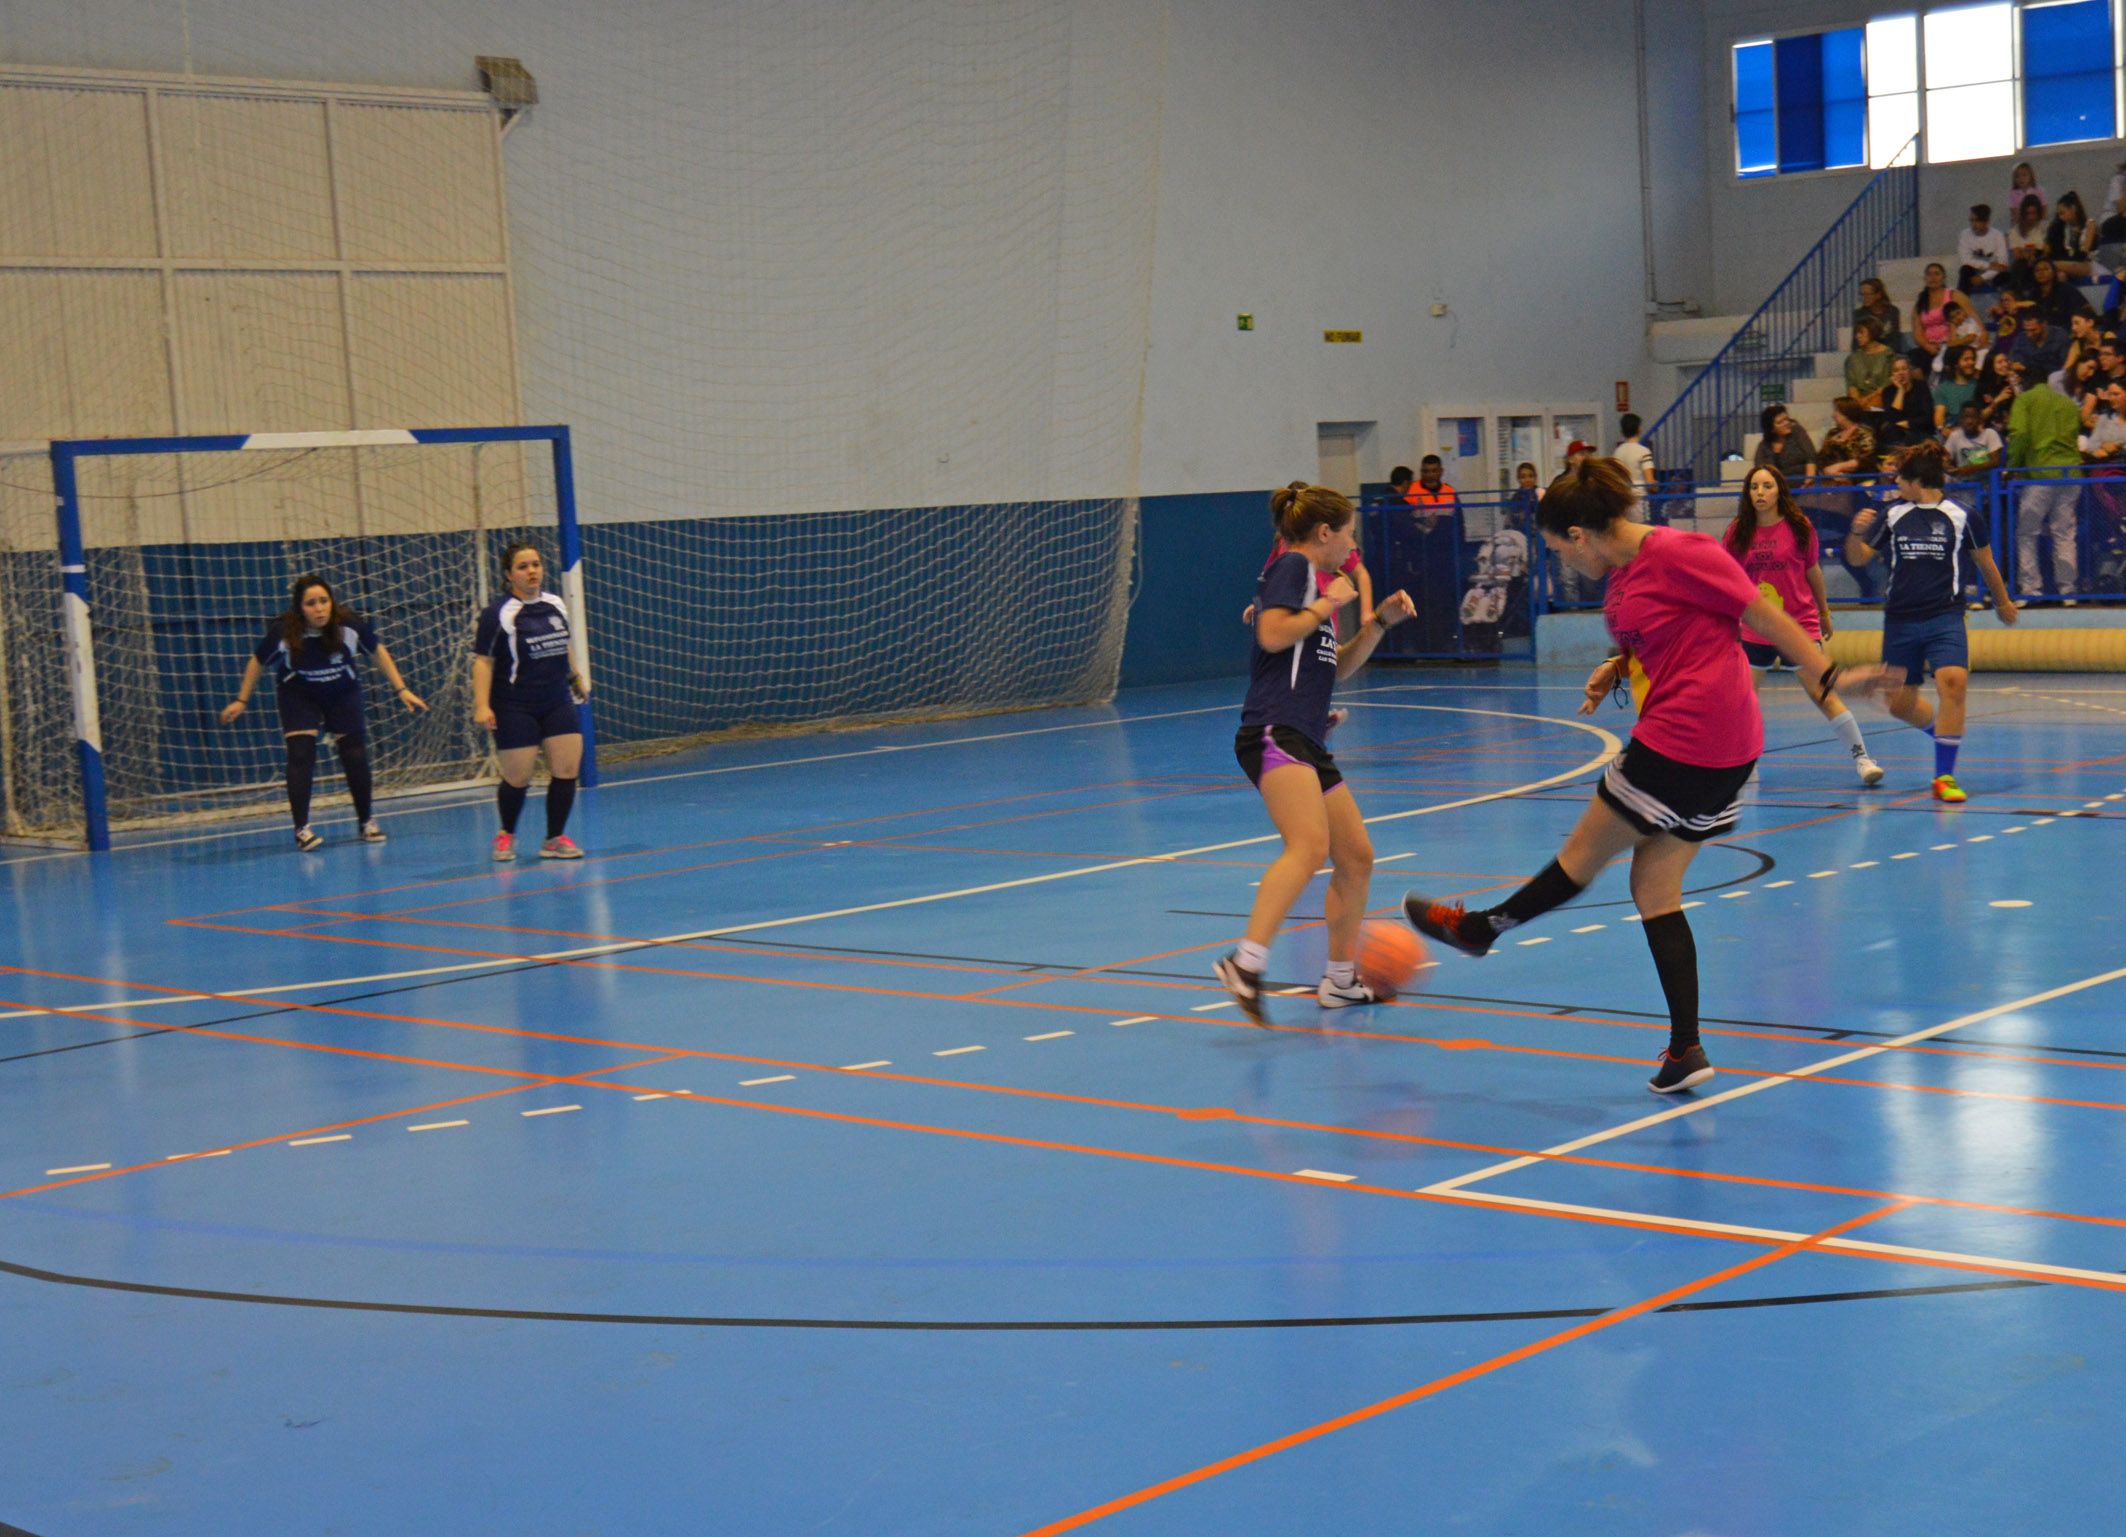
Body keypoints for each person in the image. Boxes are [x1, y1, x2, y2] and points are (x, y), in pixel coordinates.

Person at [1399, 458, 1887, 1094]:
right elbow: (1660, 626)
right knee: (1654, 886)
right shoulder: (1623, 574)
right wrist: (1616, 663)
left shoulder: (1682, 550)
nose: (1560, 560)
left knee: (1582, 854)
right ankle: (1686, 1048)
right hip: (1719, 747)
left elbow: (1762, 616)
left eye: (1555, 548)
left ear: (1579, 534)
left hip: (1693, 731)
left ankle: (1480, 929)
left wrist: (1829, 676)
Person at [1215, 482, 1415, 1022]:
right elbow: (1273, 634)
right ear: (1324, 533)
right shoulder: (1295, 568)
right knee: (1307, 847)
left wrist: (1377, 625)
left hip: (1307, 737)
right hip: (1273, 731)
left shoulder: (1315, 588)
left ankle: (1341, 982)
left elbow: (1338, 667)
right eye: (1347, 532)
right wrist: (1329, 602)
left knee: (1355, 856)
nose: (1352, 543)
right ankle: (1246, 962)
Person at [1845, 441, 2017, 803]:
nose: (1895, 484)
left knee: (1953, 683)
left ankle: (1944, 776)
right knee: (1899, 704)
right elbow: (1858, 559)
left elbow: (1986, 562)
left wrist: (2002, 602)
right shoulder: (1892, 514)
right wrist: (1856, 532)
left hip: (1945, 616)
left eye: (1899, 479)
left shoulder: (1963, 516)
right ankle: (1944, 734)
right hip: (1900, 620)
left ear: (1915, 480)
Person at [220, 573, 427, 850]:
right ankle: (302, 829)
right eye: (310, 604)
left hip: (342, 692)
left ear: (331, 602)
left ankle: (367, 821)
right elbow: (257, 662)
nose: (319, 608)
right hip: (299, 693)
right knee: (301, 753)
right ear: (300, 608)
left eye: (323, 601)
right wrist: (241, 700)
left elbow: (378, 652)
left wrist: (402, 689)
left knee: (354, 754)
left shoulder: (349, 626)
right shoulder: (284, 632)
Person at [1724, 466, 1881, 786]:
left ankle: (1863, 759)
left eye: (1767, 486)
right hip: (1756, 626)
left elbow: (1813, 572)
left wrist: (1824, 613)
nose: (1760, 492)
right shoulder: (1738, 531)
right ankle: (1746, 762)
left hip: (1799, 625)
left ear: (1779, 490)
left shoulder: (1799, 527)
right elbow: (1727, 576)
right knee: (1743, 698)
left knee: (1823, 693)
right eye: (1754, 486)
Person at [472, 541, 591, 860]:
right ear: (509, 575)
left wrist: (575, 676)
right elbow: (483, 661)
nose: (532, 571)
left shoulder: (555, 604)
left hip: (556, 700)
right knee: (518, 776)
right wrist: (482, 705)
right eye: (523, 567)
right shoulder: (499, 613)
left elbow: (562, 643)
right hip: (515, 705)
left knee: (567, 768)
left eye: (536, 564)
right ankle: (506, 833)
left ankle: (554, 839)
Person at [2008, 375, 2088, 602]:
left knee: (2027, 533)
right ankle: (2068, 590)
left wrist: (2012, 467)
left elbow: (2019, 434)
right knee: (2064, 532)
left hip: (2040, 475)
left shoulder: (2025, 400)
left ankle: (2030, 589)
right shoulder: (2067, 403)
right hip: (2070, 474)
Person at [1909, 264, 1977, 377]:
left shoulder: (1954, 295)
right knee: (1913, 358)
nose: (1933, 277)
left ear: (1944, 277)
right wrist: (1927, 346)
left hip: (1952, 343)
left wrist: (1983, 333)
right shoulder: (1920, 303)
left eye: (1936, 274)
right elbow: (1917, 333)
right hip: (1930, 346)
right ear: (1925, 279)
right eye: (1929, 274)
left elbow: (1972, 317)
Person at [1876, 355, 1935, 453]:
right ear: (1891, 375)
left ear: (1910, 371)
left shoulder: (1921, 387)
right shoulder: (1888, 391)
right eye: (1896, 370)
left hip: (1920, 432)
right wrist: (1900, 390)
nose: (1901, 373)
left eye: (1904, 369)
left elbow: (1927, 417)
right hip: (1897, 435)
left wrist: (1908, 423)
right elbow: (1891, 419)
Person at [1753, 403, 1817, 481]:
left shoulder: (1797, 431)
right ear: (1771, 429)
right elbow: (1759, 469)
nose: (1786, 423)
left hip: (1803, 482)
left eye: (1786, 419)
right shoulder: (1764, 446)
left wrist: (1809, 480)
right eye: (1780, 422)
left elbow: (1810, 457)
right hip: (1779, 487)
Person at [1958, 204, 2012, 294]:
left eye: (1977, 221)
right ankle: (1961, 301)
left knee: (2005, 275)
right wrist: (1988, 265)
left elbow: (2002, 264)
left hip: (1994, 272)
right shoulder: (1964, 234)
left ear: (1986, 222)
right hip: (1975, 271)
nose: (1973, 224)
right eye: (1971, 220)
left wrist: (1983, 277)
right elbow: (1965, 260)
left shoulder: (1997, 235)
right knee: (1965, 270)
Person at [1845, 316, 1896, 409]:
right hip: (1861, 401)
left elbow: (1888, 384)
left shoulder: (1888, 354)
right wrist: (1858, 402)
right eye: (1856, 333)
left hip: (1881, 398)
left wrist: (1868, 399)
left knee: (1873, 408)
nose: (1857, 336)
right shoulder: (1853, 358)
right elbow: (1852, 386)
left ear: (1872, 332)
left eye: (1861, 332)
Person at [2047, 191, 2096, 281]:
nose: (2060, 217)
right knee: (2060, 275)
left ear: (2073, 208)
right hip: (2068, 263)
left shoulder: (2090, 224)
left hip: (2086, 263)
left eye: (2062, 213)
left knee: (2052, 265)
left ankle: (2049, 265)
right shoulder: (2062, 228)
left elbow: (2084, 252)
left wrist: (2076, 236)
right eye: (2059, 214)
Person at [1945, 401, 2005, 473]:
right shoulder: (1955, 436)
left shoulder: (1990, 434)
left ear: (1979, 418)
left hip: (1987, 482)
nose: (1969, 421)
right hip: (1964, 482)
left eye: (1973, 417)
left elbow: (1995, 462)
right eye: (1965, 417)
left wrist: (1971, 468)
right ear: (1960, 419)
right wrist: (1948, 467)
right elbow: (1945, 460)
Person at [1933, 343, 1982, 426]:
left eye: (1973, 359)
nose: (1971, 362)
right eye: (1966, 359)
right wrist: (1944, 429)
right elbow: (1939, 418)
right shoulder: (1943, 389)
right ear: (1955, 364)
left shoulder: (1979, 385)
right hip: (1952, 427)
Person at [1852, 278, 1903, 355]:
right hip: (1866, 354)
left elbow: (1895, 340)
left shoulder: (1892, 311)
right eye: (1862, 294)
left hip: (1887, 353)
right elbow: (1856, 343)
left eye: (1867, 294)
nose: (1864, 298)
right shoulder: (1859, 314)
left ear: (1878, 295)